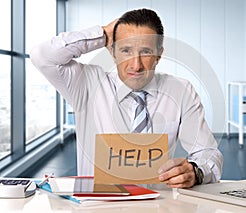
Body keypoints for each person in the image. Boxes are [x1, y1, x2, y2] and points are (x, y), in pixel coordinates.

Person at [31, 8, 223, 188]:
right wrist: (104, 33)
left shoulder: (180, 90)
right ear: (112, 52)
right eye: (126, 50)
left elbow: (208, 152)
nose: (136, 65)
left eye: (146, 52)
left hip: (157, 205)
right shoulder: (87, 84)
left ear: (158, 55)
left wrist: (196, 172)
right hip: (97, 206)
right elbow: (42, 56)